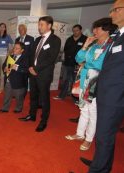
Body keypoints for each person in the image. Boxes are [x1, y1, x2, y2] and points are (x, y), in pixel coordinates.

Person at [80, 1, 124, 172]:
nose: (111, 14)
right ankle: (101, 164)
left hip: (116, 96)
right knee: (104, 135)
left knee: (104, 136)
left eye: (115, 10)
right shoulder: (117, 36)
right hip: (106, 93)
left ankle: (99, 169)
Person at [65, 18, 116, 151]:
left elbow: (100, 65)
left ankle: (88, 139)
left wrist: (86, 64)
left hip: (97, 83)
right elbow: (78, 59)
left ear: (106, 30)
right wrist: (85, 45)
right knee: (83, 109)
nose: (94, 31)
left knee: (93, 112)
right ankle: (80, 134)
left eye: (97, 28)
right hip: (84, 81)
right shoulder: (94, 46)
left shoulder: (111, 45)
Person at [19, 16, 61, 132]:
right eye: (39, 24)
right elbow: (32, 55)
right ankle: (32, 115)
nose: (39, 27)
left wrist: (36, 69)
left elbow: (51, 58)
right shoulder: (37, 40)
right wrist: (30, 67)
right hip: (33, 72)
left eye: (41, 24)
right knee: (33, 96)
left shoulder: (55, 40)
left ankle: (44, 121)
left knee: (44, 98)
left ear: (49, 26)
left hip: (44, 74)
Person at [53, 24, 87, 100]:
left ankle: (76, 99)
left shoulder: (85, 39)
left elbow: (86, 52)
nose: (75, 32)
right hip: (68, 63)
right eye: (73, 31)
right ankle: (62, 95)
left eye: (77, 30)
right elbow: (65, 49)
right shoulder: (69, 39)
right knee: (65, 80)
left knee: (76, 81)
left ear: (80, 30)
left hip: (78, 64)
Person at [0, 42, 29, 113]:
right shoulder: (10, 56)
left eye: (17, 48)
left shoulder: (25, 58)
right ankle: (5, 108)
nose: (14, 49)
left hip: (19, 82)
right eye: (14, 48)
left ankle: (18, 108)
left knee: (19, 97)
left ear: (22, 50)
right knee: (7, 95)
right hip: (9, 79)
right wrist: (4, 69)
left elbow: (27, 70)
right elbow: (4, 65)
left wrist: (17, 68)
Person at [0, 23, 13, 93]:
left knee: (2, 72)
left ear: (5, 28)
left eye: (3, 27)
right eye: (1, 27)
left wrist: (8, 54)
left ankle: (1, 88)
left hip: (4, 56)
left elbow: (11, 47)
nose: (2, 28)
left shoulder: (8, 36)